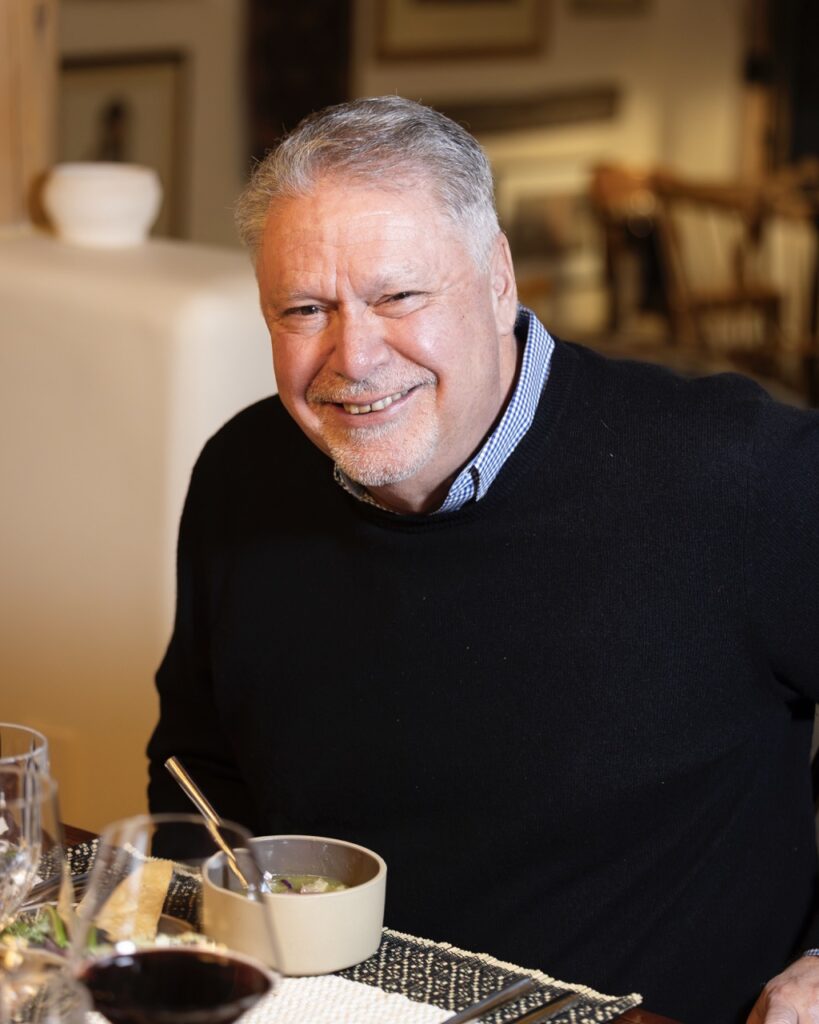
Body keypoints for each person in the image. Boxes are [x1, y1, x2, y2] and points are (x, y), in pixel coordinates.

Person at [147, 96, 819, 1024]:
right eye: (305, 309)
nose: (355, 355)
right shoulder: (241, 470)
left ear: (498, 277)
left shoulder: (735, 471)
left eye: (398, 296)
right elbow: (196, 767)